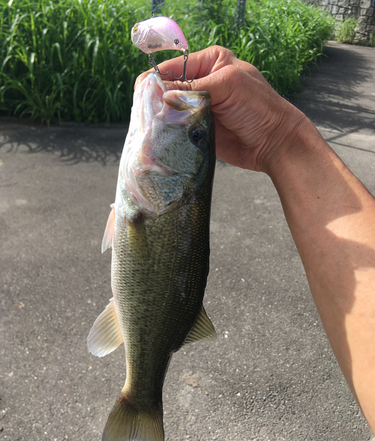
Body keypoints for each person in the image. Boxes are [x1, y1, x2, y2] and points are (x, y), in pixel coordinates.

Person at [136, 45, 375, 433]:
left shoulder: (146, 198)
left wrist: (280, 136)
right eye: (198, 134)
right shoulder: (154, 195)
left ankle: (141, 400)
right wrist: (279, 136)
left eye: (195, 134)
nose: (193, 129)